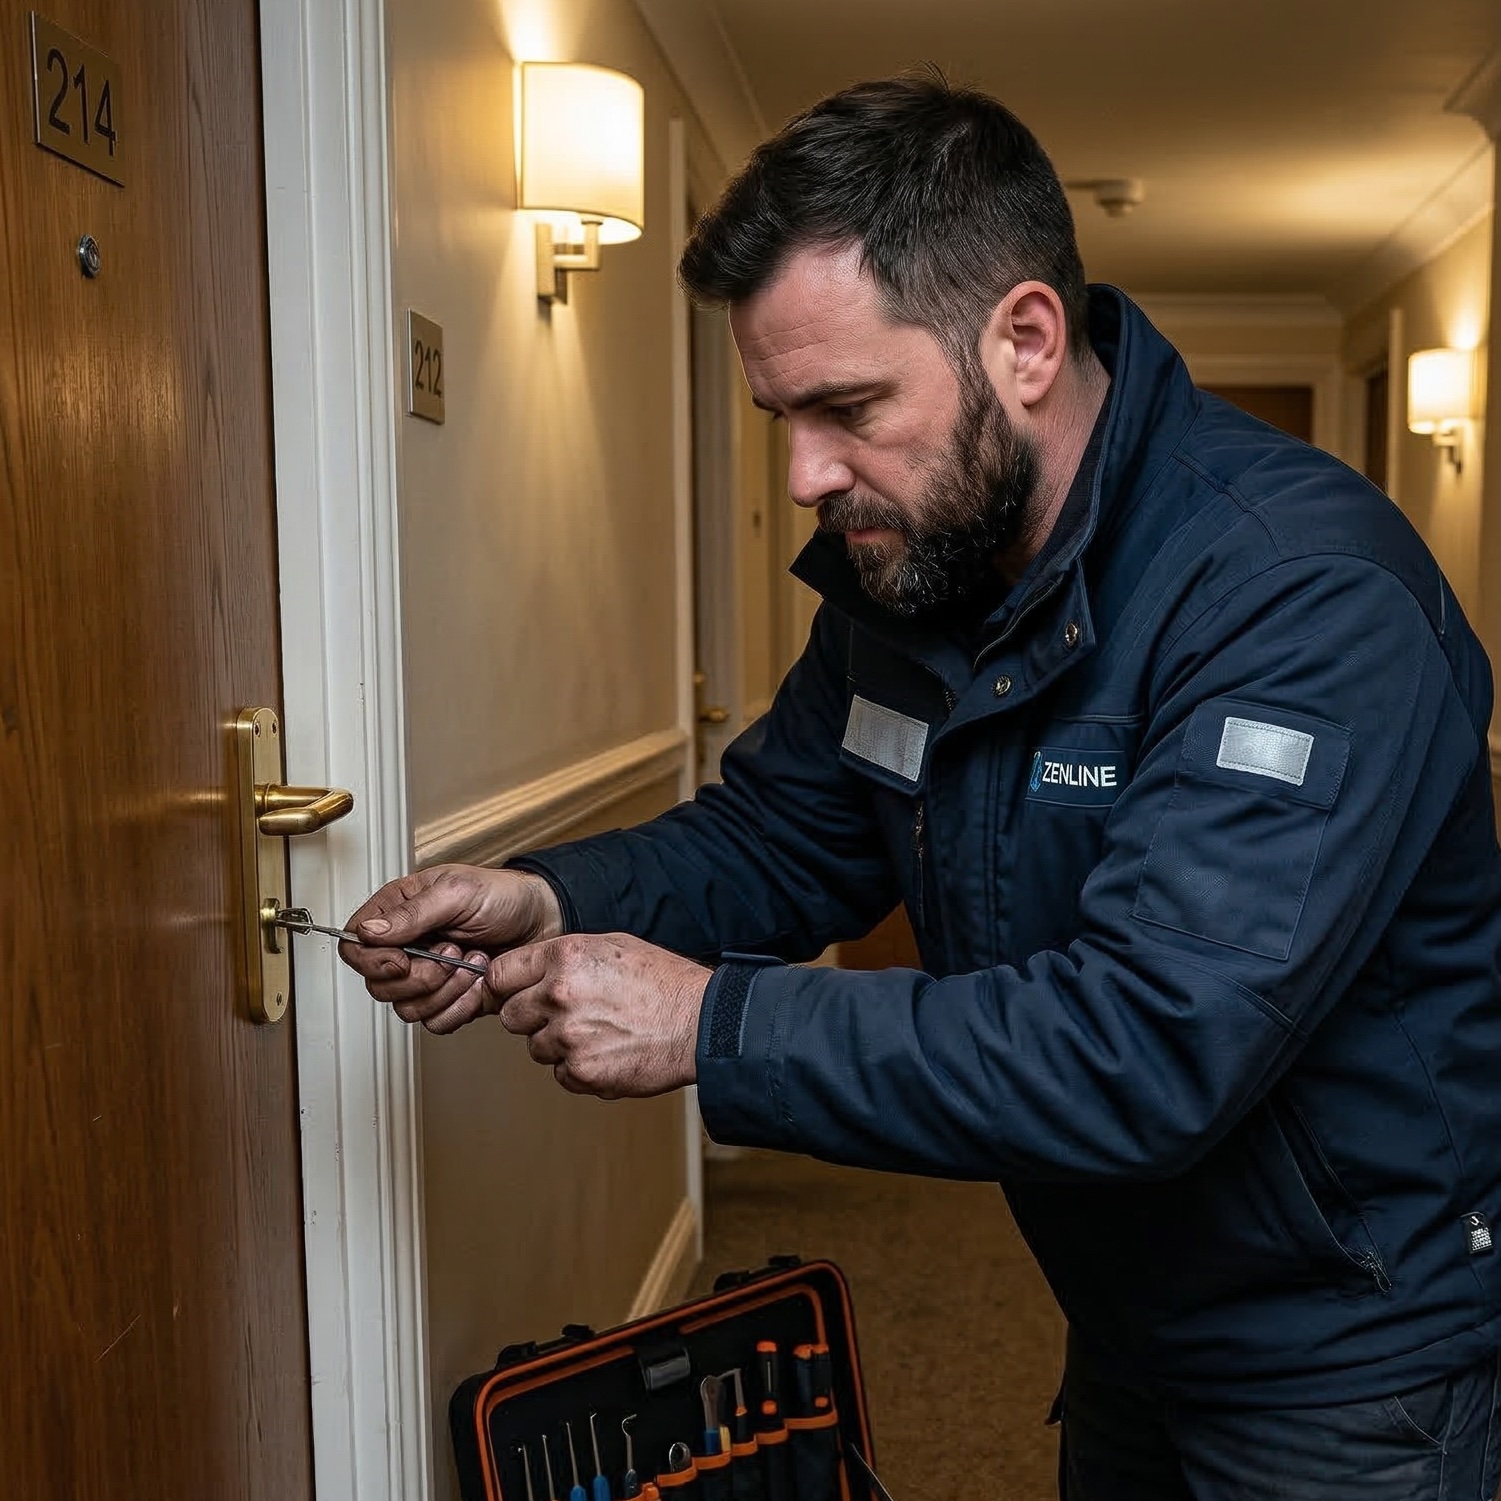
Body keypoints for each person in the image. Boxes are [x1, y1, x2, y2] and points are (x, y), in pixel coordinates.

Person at [340, 74, 1501, 1500]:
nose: (805, 472)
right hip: (1127, 1310)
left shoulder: (1293, 594)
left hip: (1350, 1348)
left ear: (1022, 337)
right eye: (780, 413)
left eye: (845, 405)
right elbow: (785, 835)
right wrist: (547, 892)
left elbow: (1147, 1045)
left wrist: (714, 1021)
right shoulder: (918, 573)